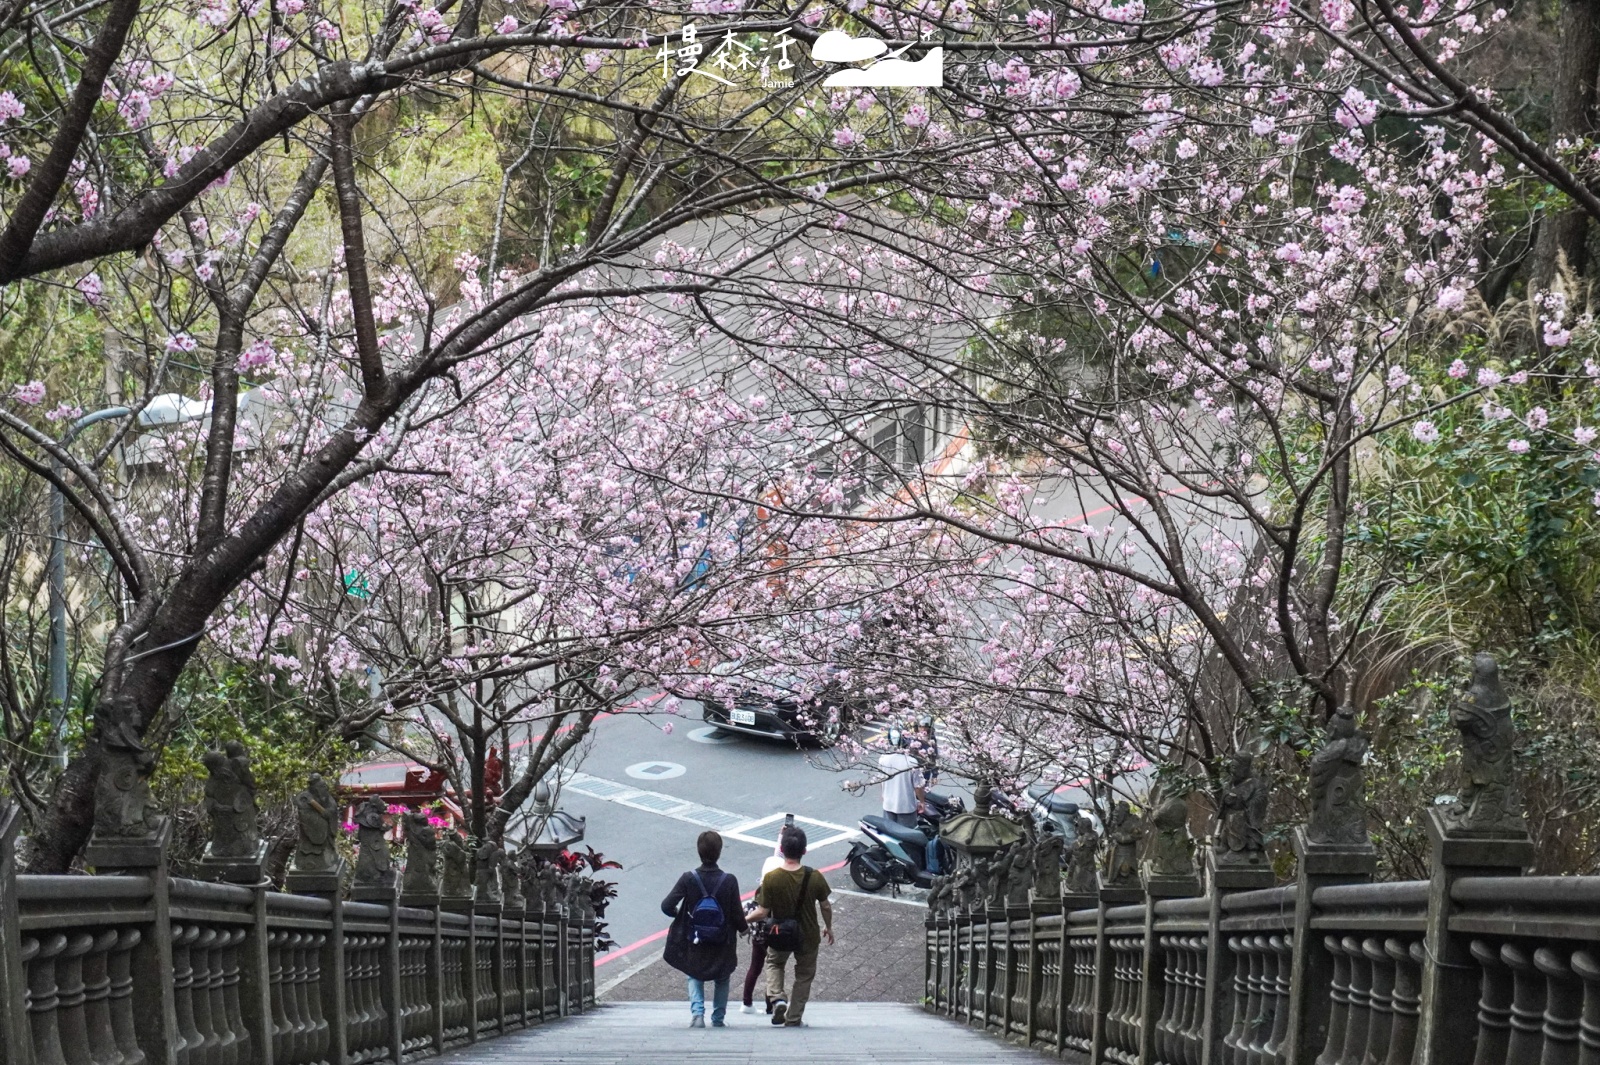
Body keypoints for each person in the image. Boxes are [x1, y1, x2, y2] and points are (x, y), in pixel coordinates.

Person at [748, 827, 835, 1028]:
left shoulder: (771, 878)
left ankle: (778, 997)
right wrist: (828, 927)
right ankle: (794, 1018)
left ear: (781, 849)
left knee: (774, 964)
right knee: (804, 975)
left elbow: (762, 911)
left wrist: (744, 919)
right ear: (804, 851)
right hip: (808, 934)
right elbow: (825, 905)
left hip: (779, 933)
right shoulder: (814, 876)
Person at [661, 830, 748, 1028]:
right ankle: (718, 1018)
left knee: (694, 974)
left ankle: (697, 1014)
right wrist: (744, 930)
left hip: (696, 938)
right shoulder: (729, 880)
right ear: (719, 852)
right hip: (722, 940)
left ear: (698, 851)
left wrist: (681, 916)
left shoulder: (689, 878)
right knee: (723, 977)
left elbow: (666, 905)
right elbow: (736, 912)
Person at [878, 730, 925, 828]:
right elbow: (918, 786)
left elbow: (881, 780)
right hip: (906, 806)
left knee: (890, 833)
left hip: (888, 804)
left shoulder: (883, 759)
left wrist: (883, 794)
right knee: (908, 836)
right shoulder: (912, 762)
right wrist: (922, 802)